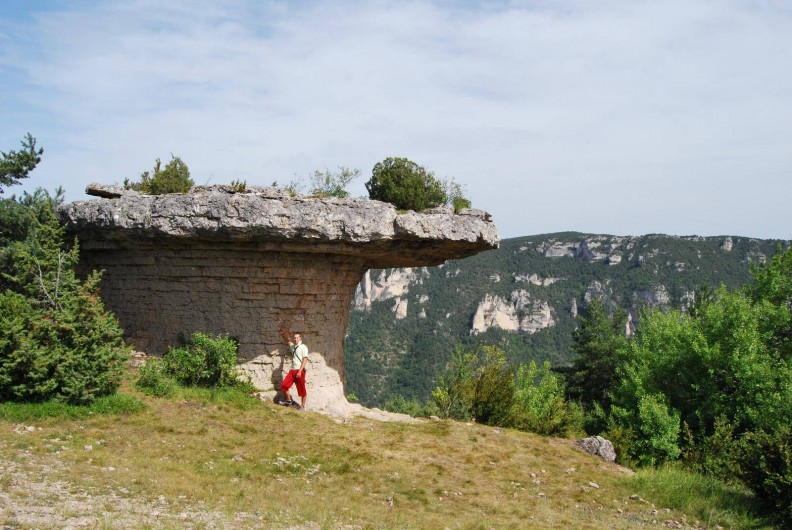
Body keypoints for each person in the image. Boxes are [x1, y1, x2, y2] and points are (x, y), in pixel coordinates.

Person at [279, 329, 309, 410]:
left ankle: (302, 406)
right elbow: (289, 341)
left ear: (300, 338)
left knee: (302, 390)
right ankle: (289, 401)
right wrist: (284, 335)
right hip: (292, 370)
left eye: (297, 338)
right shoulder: (293, 347)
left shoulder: (303, 347)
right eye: (294, 338)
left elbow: (305, 359)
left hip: (299, 370)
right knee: (284, 385)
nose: (296, 339)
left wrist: (300, 371)